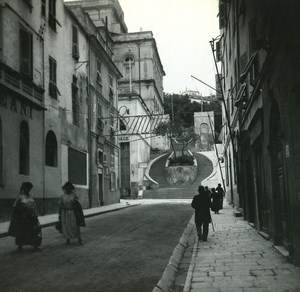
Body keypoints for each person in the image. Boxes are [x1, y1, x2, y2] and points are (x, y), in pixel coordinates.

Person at [8, 182, 42, 252]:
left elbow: (34, 206)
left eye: (29, 189)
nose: (28, 190)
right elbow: (14, 206)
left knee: (34, 231)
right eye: (27, 188)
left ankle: (35, 246)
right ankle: (20, 246)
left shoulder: (31, 196)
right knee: (21, 231)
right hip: (23, 217)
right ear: (24, 189)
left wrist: (35, 214)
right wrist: (21, 211)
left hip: (31, 217)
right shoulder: (20, 197)